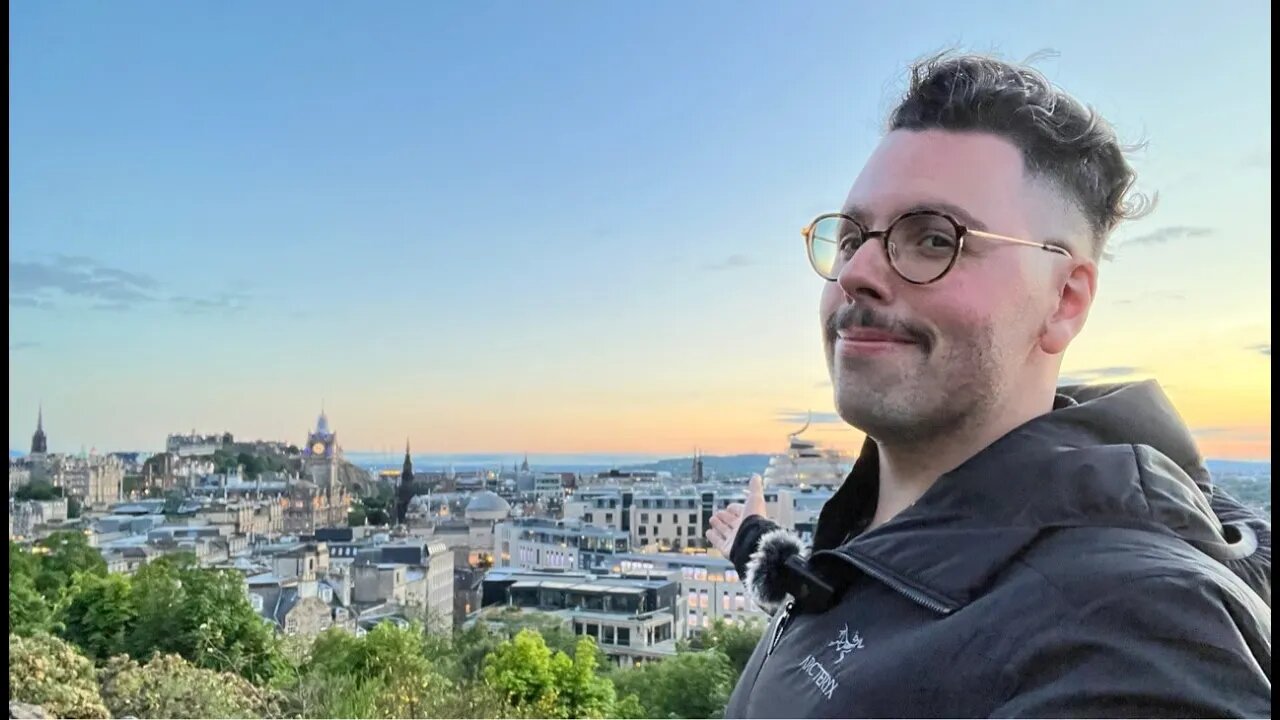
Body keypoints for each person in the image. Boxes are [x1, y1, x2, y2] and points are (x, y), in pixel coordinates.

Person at [706, 52, 1271, 718]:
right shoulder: (879, 526)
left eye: (933, 239)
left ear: (1064, 300)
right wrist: (757, 547)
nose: (855, 272)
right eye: (854, 235)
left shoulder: (1128, 626)